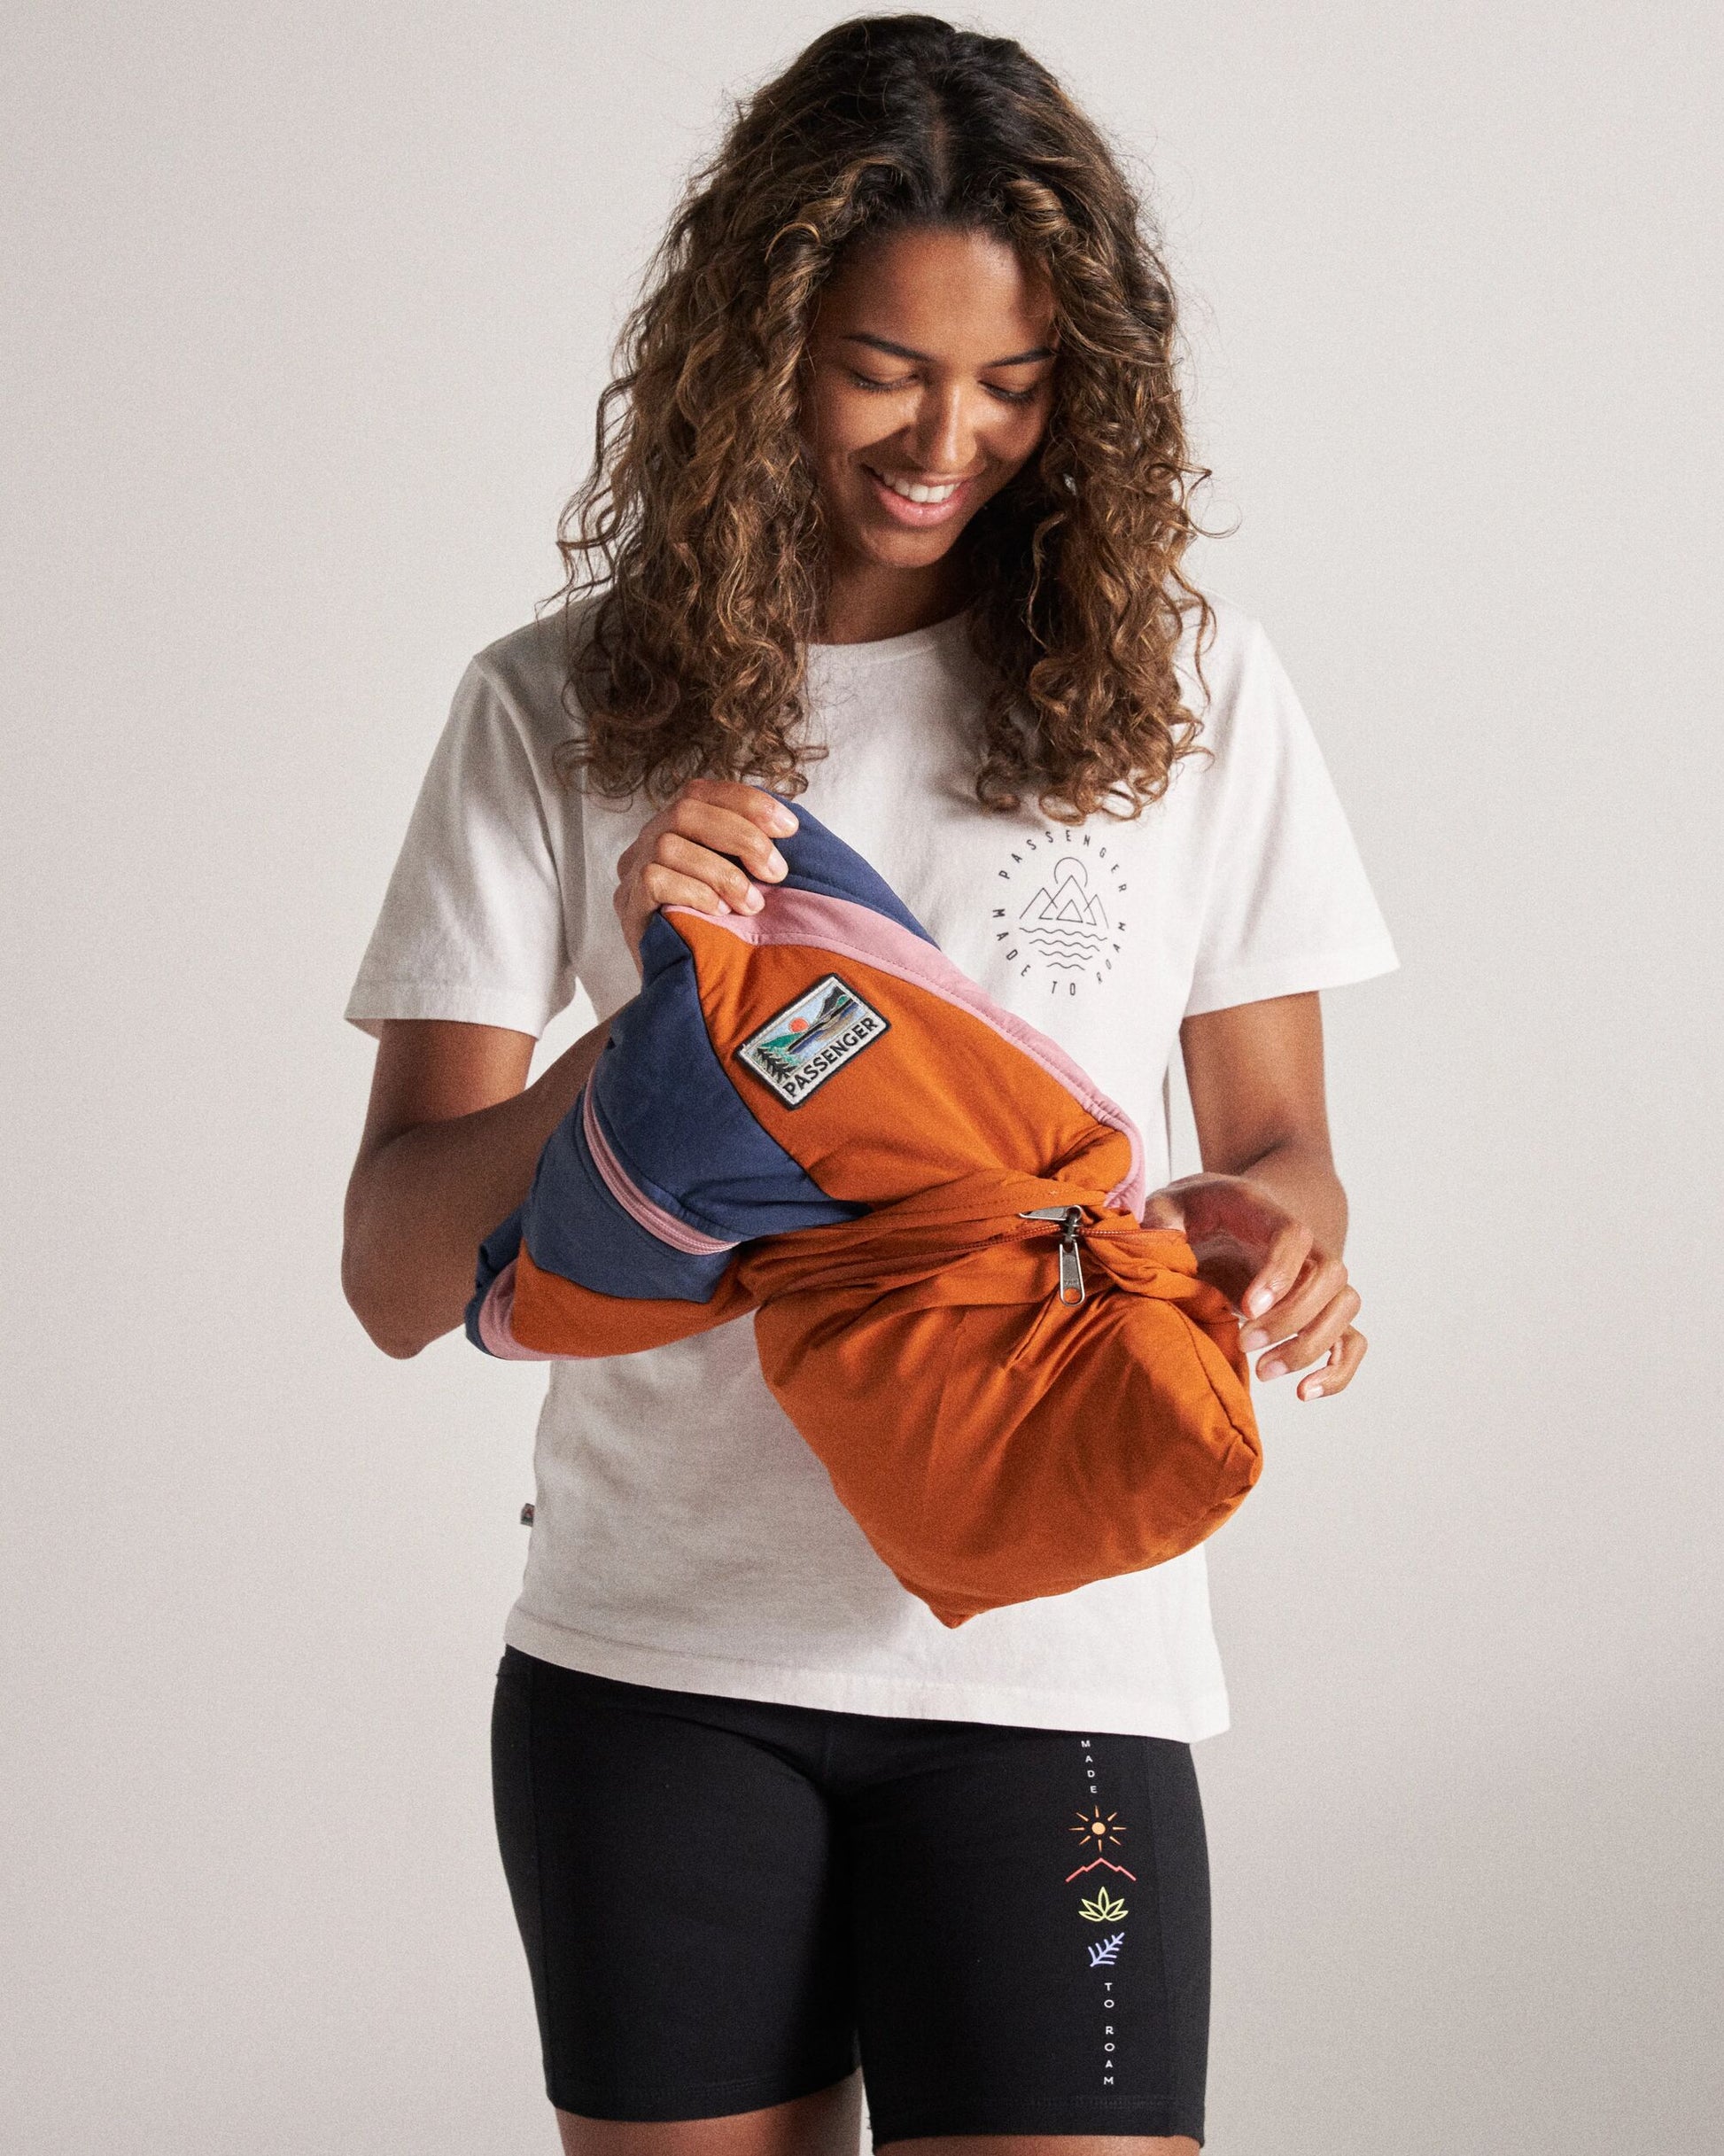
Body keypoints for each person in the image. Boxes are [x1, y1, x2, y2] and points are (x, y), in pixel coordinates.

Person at [340, 17, 1397, 2154]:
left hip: (1059, 1659)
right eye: (883, 369)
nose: (949, 438)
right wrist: (661, 1030)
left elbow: (1285, 1153)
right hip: (655, 1664)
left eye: (1015, 380)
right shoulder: (556, 703)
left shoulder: (1185, 687)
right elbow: (390, 1270)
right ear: (757, 350)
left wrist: (1274, 1242)